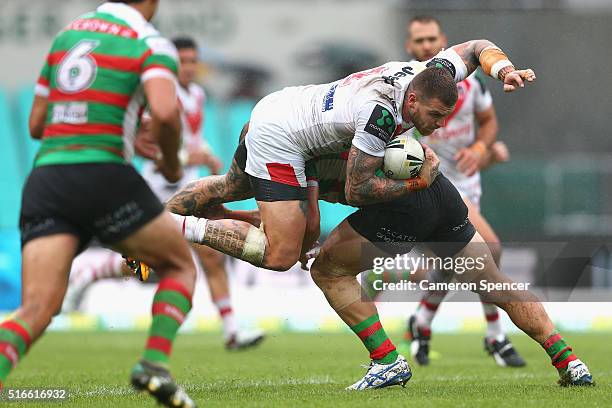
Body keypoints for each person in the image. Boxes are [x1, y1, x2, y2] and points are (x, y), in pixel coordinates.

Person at [163, 38, 535, 276]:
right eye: (435, 117)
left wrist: (503, 69)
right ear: (412, 101)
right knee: (281, 255)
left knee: (234, 189)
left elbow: (475, 47)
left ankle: (162, 216)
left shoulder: (428, 76)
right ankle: (176, 228)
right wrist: (416, 182)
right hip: (282, 138)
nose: (437, 126)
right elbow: (357, 191)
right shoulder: (380, 114)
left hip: (283, 106)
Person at [0, 1, 197, 406]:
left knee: (38, 307)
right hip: (104, 173)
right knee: (178, 265)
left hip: (47, 179)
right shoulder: (149, 42)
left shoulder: (67, 35)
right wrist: (172, 162)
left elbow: (37, 124)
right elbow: (164, 112)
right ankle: (154, 364)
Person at [63, 36, 264, 351]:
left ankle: (232, 330)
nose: (188, 68)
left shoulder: (196, 94)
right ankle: (88, 276)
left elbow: (192, 138)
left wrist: (205, 153)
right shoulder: (159, 96)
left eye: (192, 62)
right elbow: (142, 144)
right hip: (157, 189)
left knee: (211, 257)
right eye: (182, 62)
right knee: (145, 261)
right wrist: (184, 159)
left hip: (190, 189)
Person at [367, 15, 525, 367]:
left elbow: (488, 124)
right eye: (418, 41)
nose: (425, 46)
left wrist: (484, 150)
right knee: (490, 250)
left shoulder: (472, 85)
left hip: (468, 184)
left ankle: (421, 322)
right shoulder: (400, 90)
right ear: (410, 47)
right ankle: (496, 335)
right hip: (434, 184)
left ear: (442, 42)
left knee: (452, 262)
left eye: (431, 39)